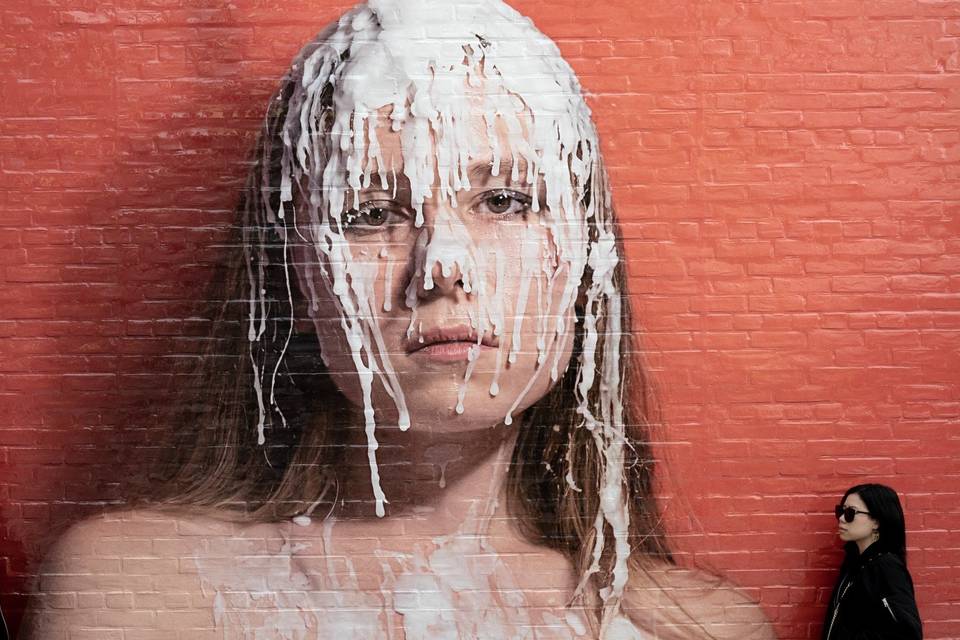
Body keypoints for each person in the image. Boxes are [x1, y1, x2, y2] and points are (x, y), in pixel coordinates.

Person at [23, 1, 775, 638]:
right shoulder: (144, 595)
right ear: (298, 278)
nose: (442, 266)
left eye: (504, 201)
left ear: (586, 262)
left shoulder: (695, 627)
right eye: (371, 214)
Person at [822, 484, 922, 640]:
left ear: (876, 521)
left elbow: (907, 634)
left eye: (850, 513)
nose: (841, 518)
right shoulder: (855, 564)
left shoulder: (886, 567)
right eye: (841, 511)